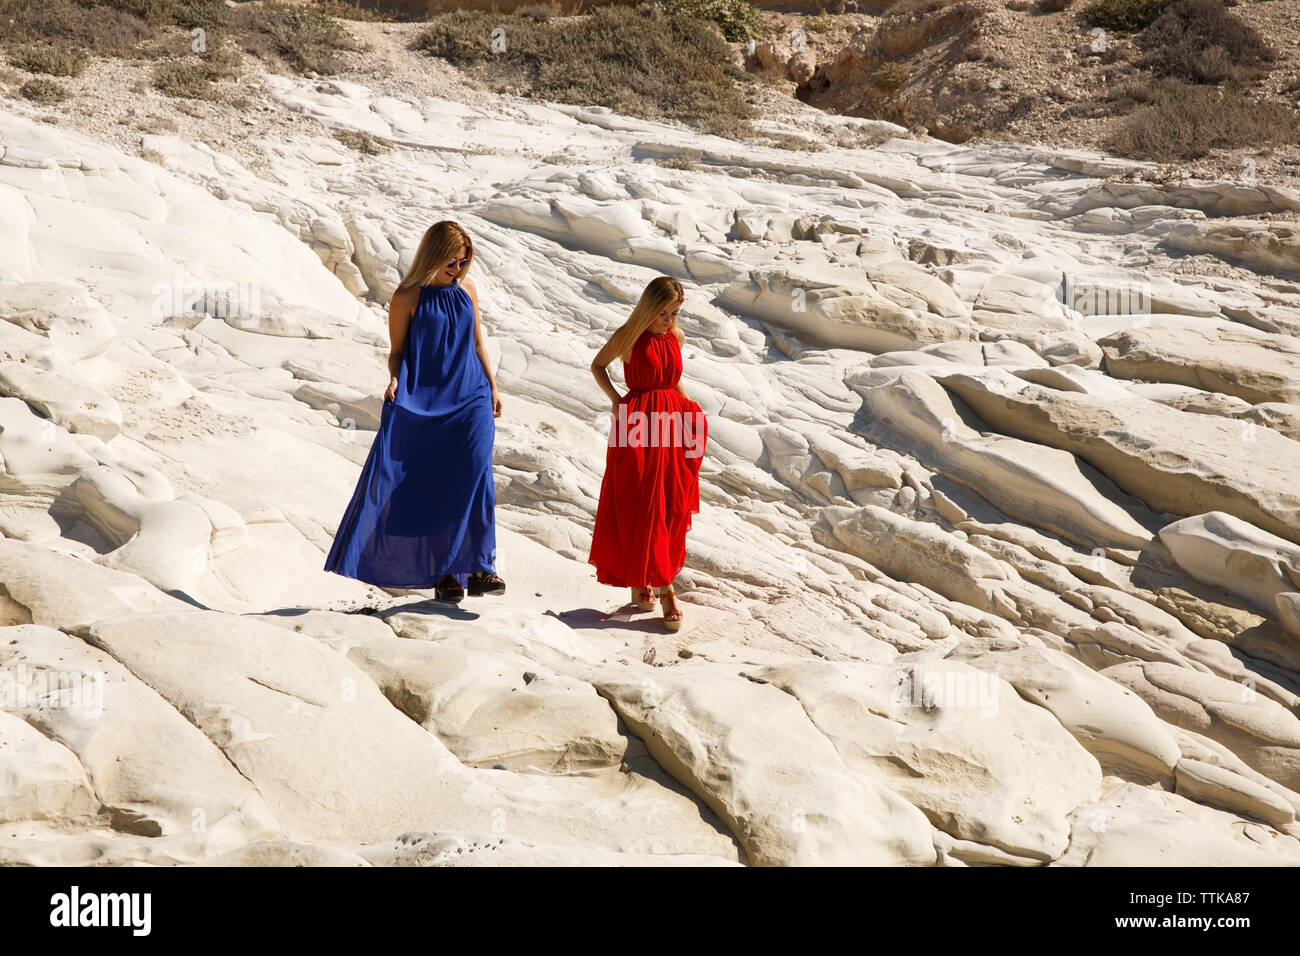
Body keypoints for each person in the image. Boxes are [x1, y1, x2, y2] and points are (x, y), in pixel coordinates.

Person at [324, 220, 504, 603]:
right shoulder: (407, 296)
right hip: (426, 400)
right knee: (437, 483)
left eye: (463, 262)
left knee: (476, 472)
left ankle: (480, 567)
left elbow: (478, 342)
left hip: (471, 395)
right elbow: (397, 351)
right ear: (433, 257)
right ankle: (446, 573)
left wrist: (493, 386)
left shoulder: (467, 290)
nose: (457, 270)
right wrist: (393, 380)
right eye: (451, 262)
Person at [588, 276, 707, 631]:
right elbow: (598, 366)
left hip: (670, 422)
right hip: (638, 423)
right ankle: (665, 590)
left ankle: (646, 582)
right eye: (662, 312)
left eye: (674, 313)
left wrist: (688, 411)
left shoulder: (676, 337)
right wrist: (617, 401)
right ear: (648, 307)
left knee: (669, 503)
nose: (668, 320)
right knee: (639, 501)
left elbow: (672, 381)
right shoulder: (628, 336)